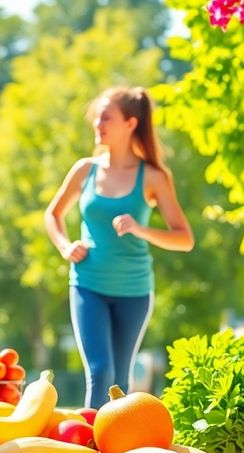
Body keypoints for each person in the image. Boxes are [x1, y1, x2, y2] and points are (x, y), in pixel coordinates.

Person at [44, 86, 195, 408]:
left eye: (105, 118)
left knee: (120, 378)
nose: (97, 124)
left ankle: (117, 450)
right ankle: (90, 450)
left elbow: (184, 238)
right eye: (97, 118)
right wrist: (64, 246)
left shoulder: (153, 177)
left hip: (134, 290)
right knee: (100, 370)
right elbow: (53, 214)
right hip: (88, 283)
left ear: (130, 124)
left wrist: (141, 229)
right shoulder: (85, 170)